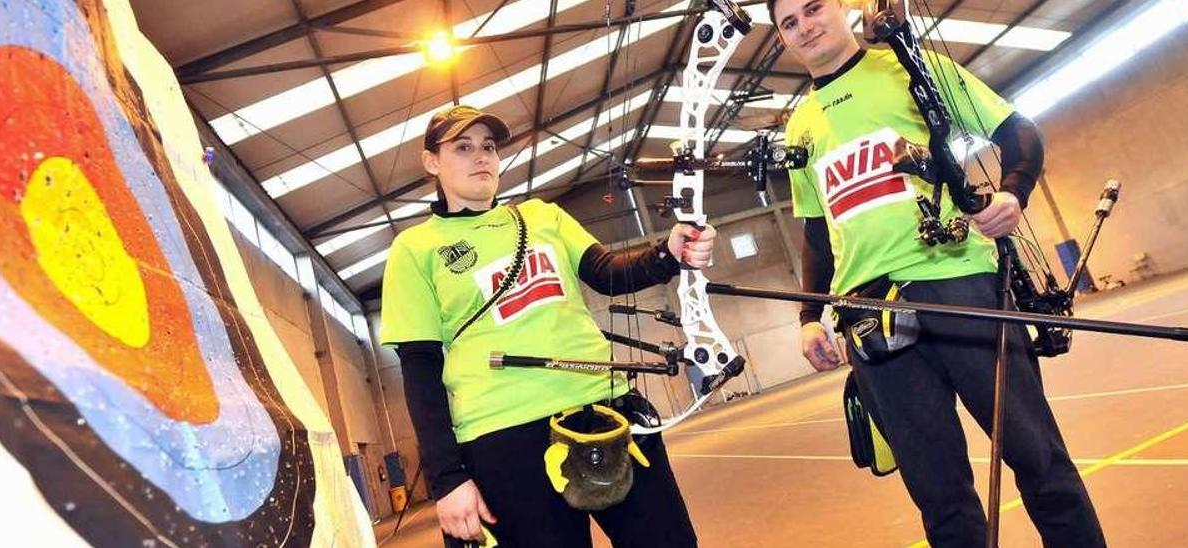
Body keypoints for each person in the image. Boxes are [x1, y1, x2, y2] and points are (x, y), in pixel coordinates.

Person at [767, 1, 1106, 546]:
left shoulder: (909, 68)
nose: (804, 26)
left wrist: (1012, 193)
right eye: (789, 22)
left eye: (813, 8)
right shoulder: (800, 126)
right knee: (940, 496)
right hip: (870, 316)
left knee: (1038, 457)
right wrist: (811, 315)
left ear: (842, 8)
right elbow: (814, 231)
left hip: (961, 285)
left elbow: (1018, 131)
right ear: (782, 39)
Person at [379, 105, 710, 547]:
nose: (481, 157)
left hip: (603, 410)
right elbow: (420, 370)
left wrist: (668, 253)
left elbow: (608, 272)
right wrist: (447, 479)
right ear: (431, 162)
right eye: (462, 147)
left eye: (489, 147)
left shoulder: (541, 216)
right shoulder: (415, 248)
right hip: (503, 438)